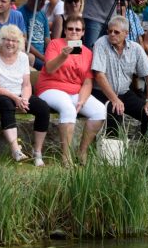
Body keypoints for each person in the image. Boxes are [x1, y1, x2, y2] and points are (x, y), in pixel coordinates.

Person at [37, 16, 106, 166]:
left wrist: (82, 99)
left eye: (77, 29)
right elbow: (49, 68)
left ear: (83, 32)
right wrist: (63, 55)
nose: (74, 32)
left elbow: (88, 80)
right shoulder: (55, 44)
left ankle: (82, 152)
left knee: (100, 110)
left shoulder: (87, 52)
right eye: (70, 28)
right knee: (69, 109)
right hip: (51, 87)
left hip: (75, 92)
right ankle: (66, 157)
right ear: (65, 30)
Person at [0, 25, 52, 166]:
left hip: (20, 94)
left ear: (19, 42)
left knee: (43, 108)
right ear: (0, 40)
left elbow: (27, 84)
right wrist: (16, 99)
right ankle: (15, 149)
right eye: (6, 39)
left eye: (14, 40)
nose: (10, 43)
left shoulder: (23, 57)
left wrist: (25, 100)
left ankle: (37, 152)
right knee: (7, 104)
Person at [92, 15, 148, 138]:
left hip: (124, 93)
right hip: (101, 93)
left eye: (116, 32)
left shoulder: (135, 48)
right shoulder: (101, 43)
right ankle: (112, 153)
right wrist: (114, 99)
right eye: (110, 31)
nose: (112, 34)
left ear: (126, 34)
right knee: (115, 110)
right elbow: (99, 75)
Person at [21, 0, 50, 69]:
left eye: (44, 1)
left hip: (43, 55)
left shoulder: (42, 14)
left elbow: (47, 38)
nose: (43, 4)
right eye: (40, 0)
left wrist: (49, 54)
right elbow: (25, 42)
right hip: (30, 54)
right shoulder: (21, 13)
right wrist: (43, 58)